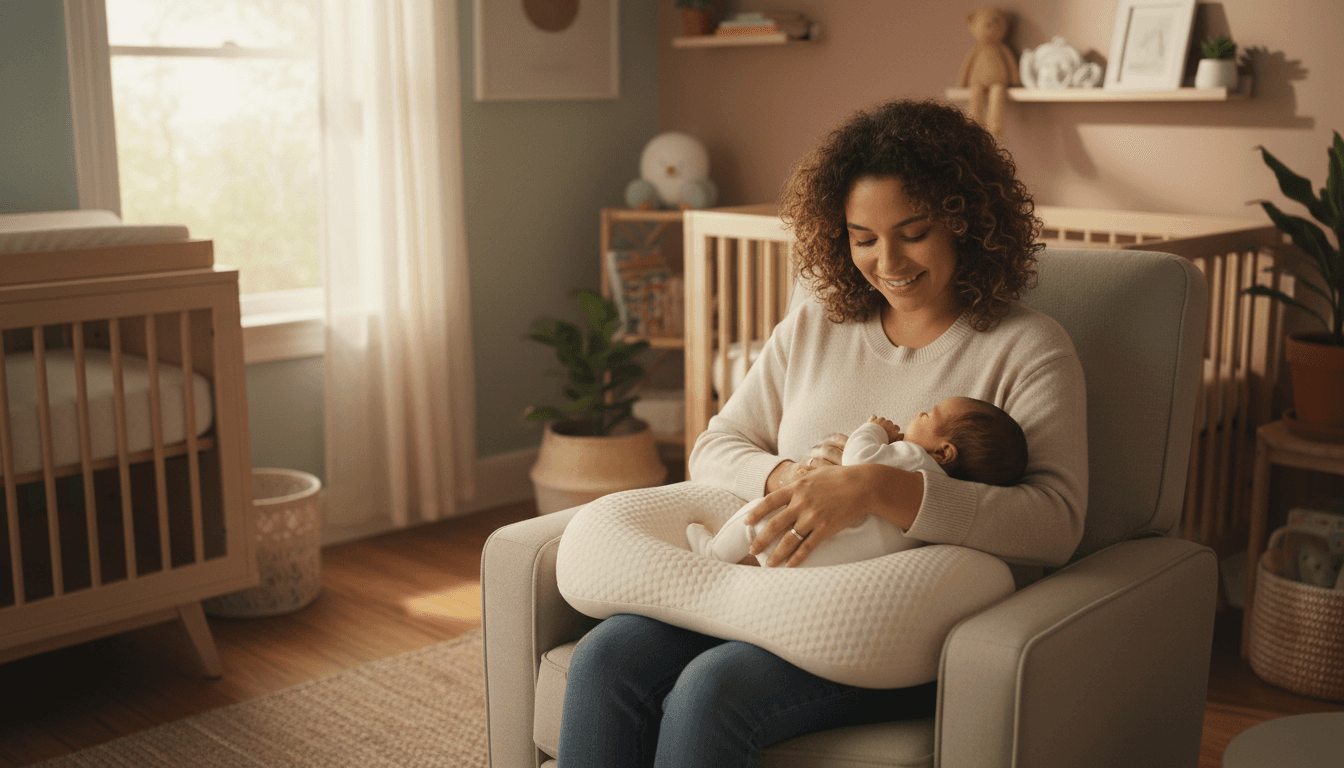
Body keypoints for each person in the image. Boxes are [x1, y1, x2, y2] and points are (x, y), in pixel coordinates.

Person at [557, 98, 1088, 767]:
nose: (887, 260)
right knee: (608, 655)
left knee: (709, 689)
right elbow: (715, 449)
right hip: (765, 590)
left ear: (964, 219)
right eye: (863, 238)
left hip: (885, 629)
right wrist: (793, 479)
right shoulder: (817, 323)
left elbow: (1055, 524)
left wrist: (875, 488)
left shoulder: (1028, 349)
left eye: (912, 231)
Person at [686, 397, 1028, 568]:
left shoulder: (913, 459)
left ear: (944, 452)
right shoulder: (928, 504)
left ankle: (713, 554)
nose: (919, 414)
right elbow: (712, 446)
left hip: (809, 535)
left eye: (929, 415)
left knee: (753, 522)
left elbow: (857, 459)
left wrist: (876, 429)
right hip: (835, 559)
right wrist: (792, 474)